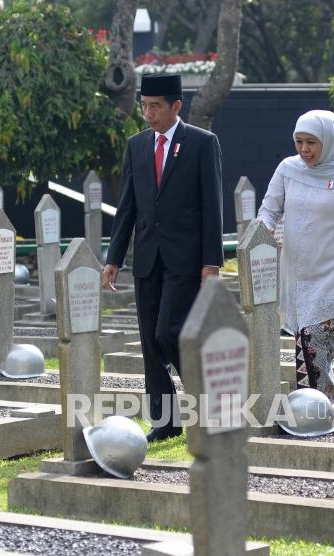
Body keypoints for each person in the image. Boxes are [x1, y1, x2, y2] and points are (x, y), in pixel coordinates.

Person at [103, 73, 224, 442]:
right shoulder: (137, 145)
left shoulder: (202, 143)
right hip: (147, 258)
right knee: (149, 342)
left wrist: (211, 262)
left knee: (167, 331)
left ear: (176, 106)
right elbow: (127, 208)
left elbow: (212, 205)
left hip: (185, 259)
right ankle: (166, 421)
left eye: (155, 107)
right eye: (144, 106)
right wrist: (114, 257)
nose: (148, 114)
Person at [257, 110, 334, 424]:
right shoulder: (287, 169)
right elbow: (269, 210)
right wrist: (262, 232)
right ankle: (327, 408)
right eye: (299, 142)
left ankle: (315, 411)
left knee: (314, 340)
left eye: (312, 142)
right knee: (304, 343)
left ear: (330, 141)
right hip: (296, 273)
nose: (304, 149)